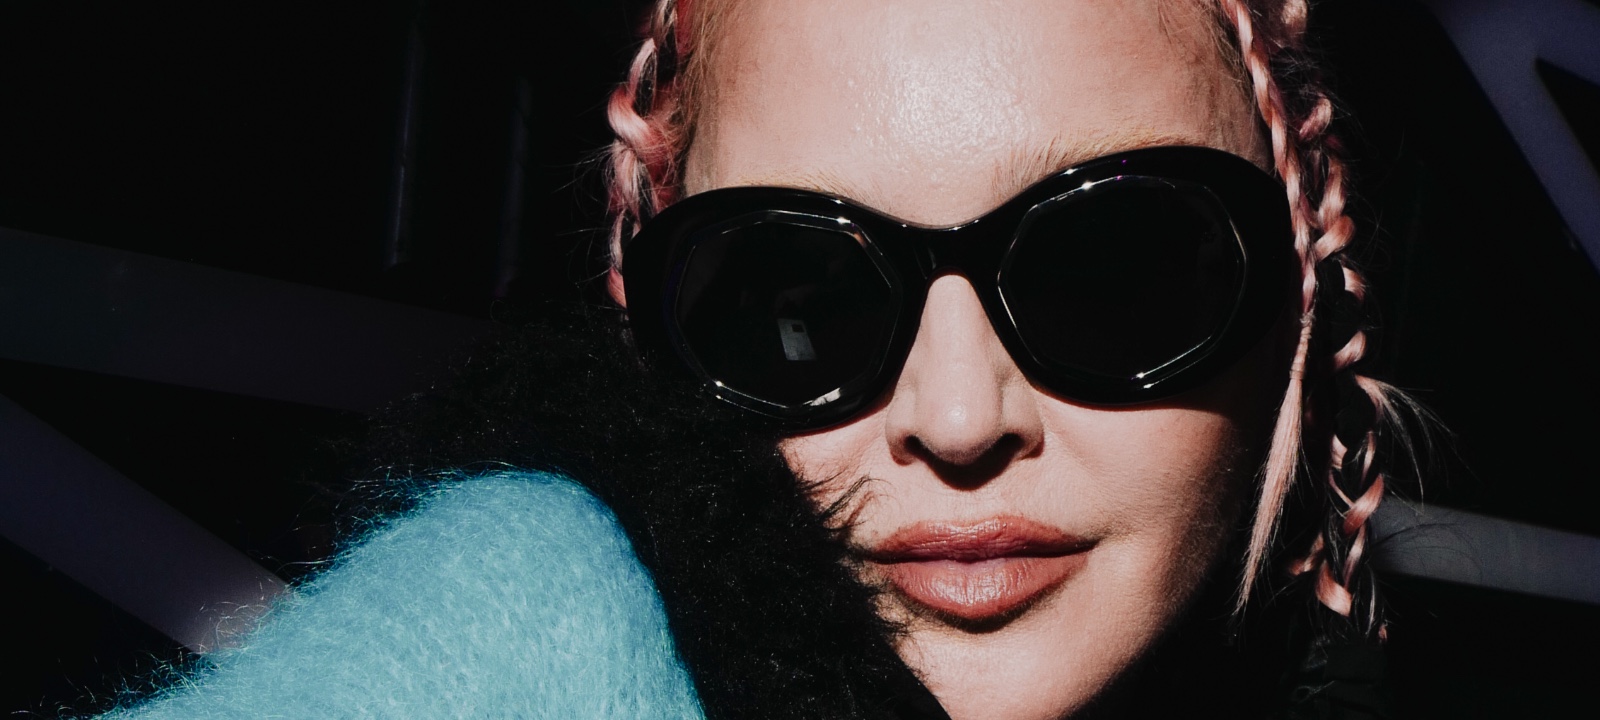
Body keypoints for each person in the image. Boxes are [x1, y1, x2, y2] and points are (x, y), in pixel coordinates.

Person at [107, 1, 1407, 718]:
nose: (960, 416)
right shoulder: (549, 618)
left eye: (1107, 272)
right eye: (806, 298)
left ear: (1292, 296)